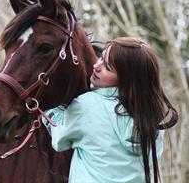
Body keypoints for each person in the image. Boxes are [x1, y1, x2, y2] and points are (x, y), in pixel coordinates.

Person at [42, 37, 178, 183]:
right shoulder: (155, 121)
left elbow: (59, 140)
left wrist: (50, 107)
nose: (96, 66)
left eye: (107, 68)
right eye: (101, 57)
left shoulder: (87, 106)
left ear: (127, 80)